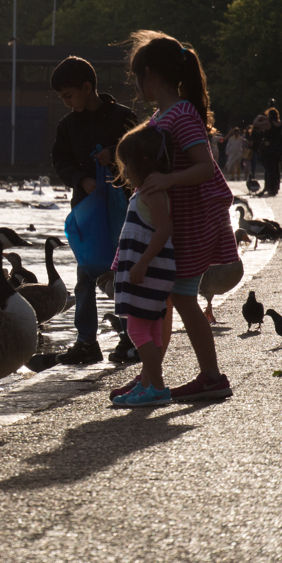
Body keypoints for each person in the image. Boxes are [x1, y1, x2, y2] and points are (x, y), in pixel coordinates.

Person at [119, 30, 237, 401]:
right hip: (177, 223)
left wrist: (168, 178)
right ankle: (149, 378)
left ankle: (211, 377)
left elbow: (206, 166)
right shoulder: (165, 114)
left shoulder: (181, 114)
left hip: (189, 222)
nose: (138, 87)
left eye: (139, 78)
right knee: (166, 300)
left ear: (151, 75)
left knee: (182, 300)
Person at [51, 56, 139, 366]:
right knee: (85, 274)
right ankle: (86, 341)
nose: (67, 104)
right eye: (63, 98)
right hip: (87, 209)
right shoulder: (67, 126)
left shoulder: (123, 118)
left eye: (69, 96)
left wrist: (115, 157)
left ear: (88, 88)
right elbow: (60, 161)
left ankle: (132, 336)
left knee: (125, 270)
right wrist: (81, 179)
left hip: (124, 207)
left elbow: (142, 155)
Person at [110, 124, 176, 406]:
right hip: (145, 271)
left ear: (144, 163)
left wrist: (141, 264)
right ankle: (149, 385)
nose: (123, 172)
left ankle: (157, 388)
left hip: (148, 272)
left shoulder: (152, 193)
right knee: (150, 330)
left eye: (127, 166)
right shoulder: (143, 192)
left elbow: (163, 230)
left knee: (137, 331)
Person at [257, 103, 282, 196]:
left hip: (269, 148)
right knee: (276, 168)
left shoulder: (268, 123)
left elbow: (256, 124)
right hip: (278, 148)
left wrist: (259, 117)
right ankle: (275, 187)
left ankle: (269, 187)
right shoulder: (280, 123)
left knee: (269, 168)